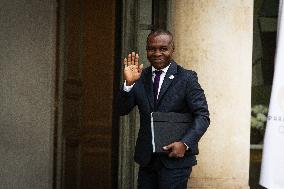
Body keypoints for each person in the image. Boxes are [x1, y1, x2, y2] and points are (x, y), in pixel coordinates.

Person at [117, 29, 210, 189]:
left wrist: (185, 143)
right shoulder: (139, 77)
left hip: (175, 161)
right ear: (146, 50)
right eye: (152, 49)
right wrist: (128, 85)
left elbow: (202, 116)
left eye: (163, 48)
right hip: (147, 160)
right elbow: (122, 109)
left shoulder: (187, 78)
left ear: (172, 49)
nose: (157, 53)